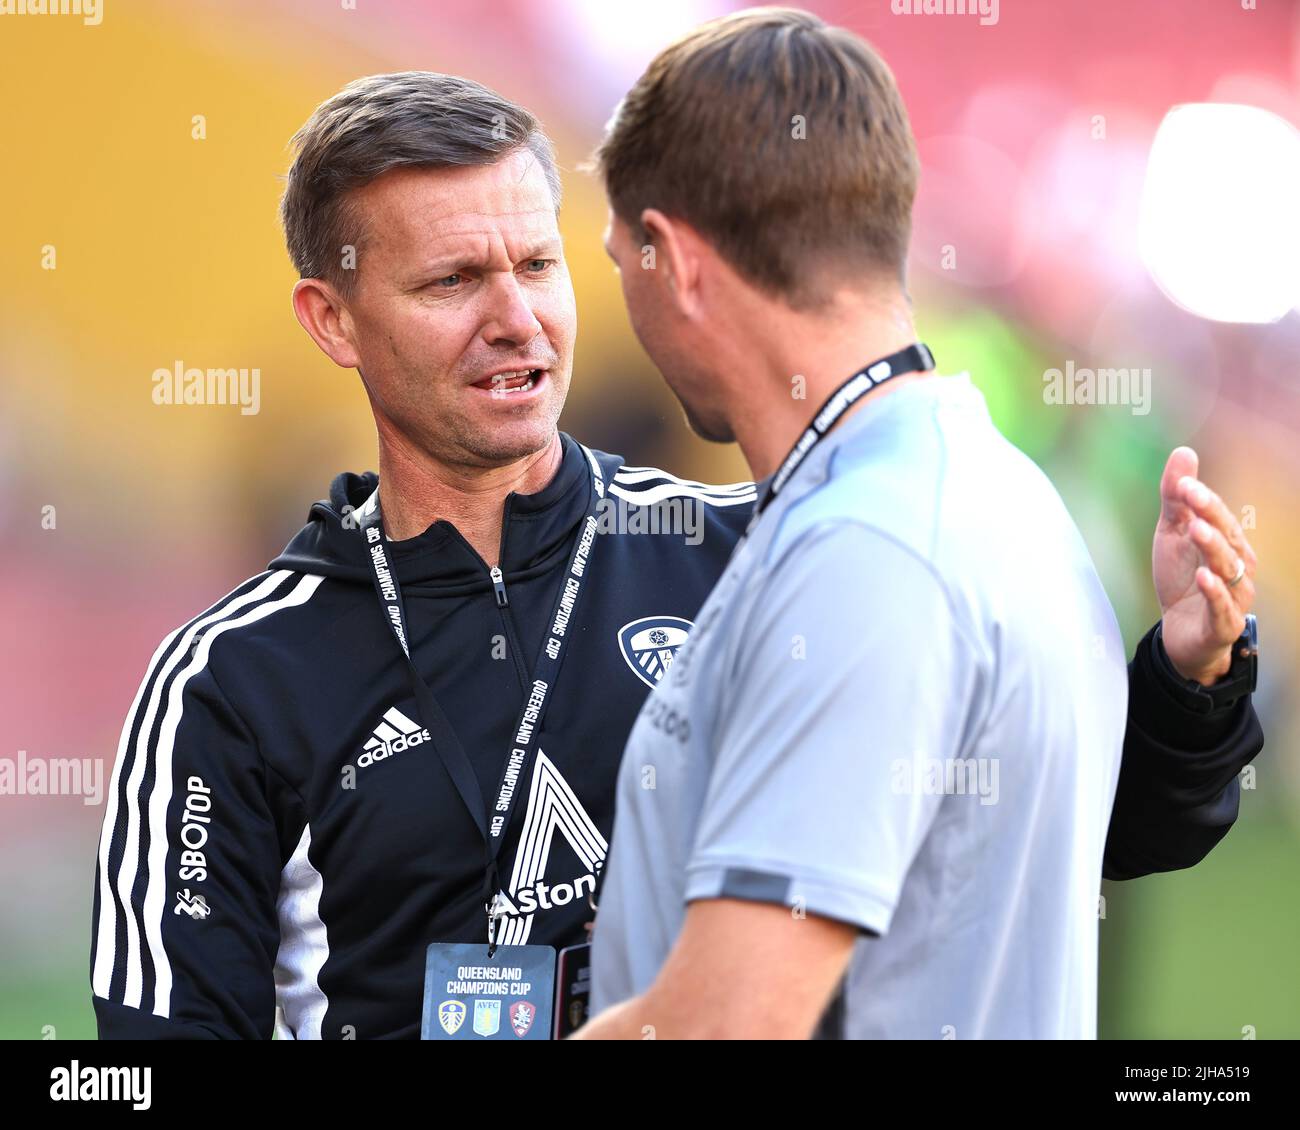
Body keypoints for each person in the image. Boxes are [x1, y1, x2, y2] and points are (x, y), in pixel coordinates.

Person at [91, 68, 1261, 1040]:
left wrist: (1183, 684)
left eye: (539, 265)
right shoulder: (233, 681)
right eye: (452, 279)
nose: (516, 317)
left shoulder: (745, 552)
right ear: (332, 318)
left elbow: (1025, 835)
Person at [577, 8, 1262, 1039]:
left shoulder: (871, 553)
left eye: (621, 252)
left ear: (674, 259)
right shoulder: (985, 488)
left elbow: (727, 1024)